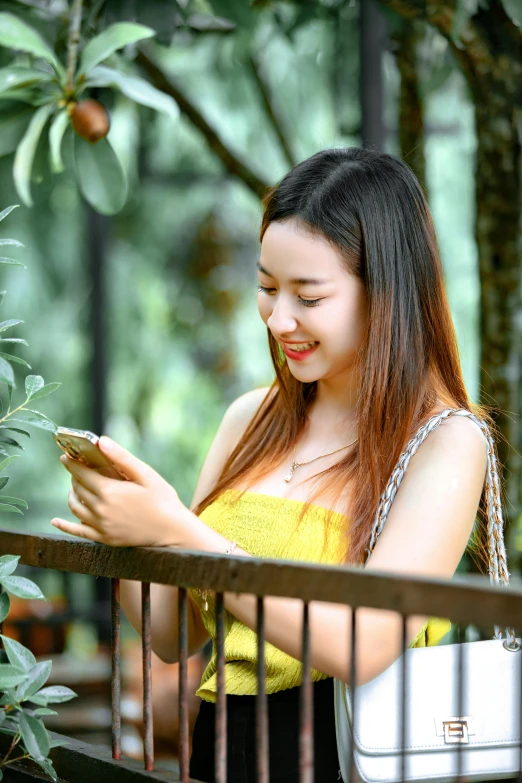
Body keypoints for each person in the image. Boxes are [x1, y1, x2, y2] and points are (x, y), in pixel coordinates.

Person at [51, 146, 493, 782]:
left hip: (347, 752)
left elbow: (363, 645)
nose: (278, 318)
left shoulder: (444, 440)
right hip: (226, 749)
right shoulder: (250, 418)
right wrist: (135, 532)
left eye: (309, 297)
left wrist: (181, 530)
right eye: (265, 287)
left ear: (388, 292)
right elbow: (173, 637)